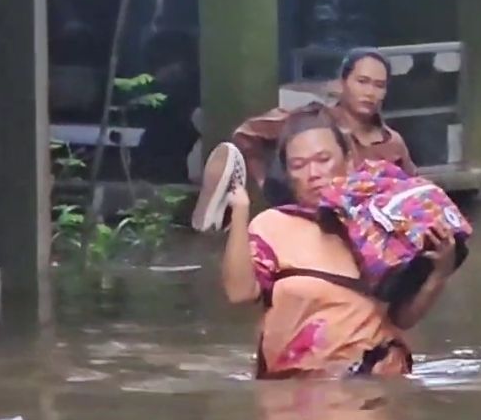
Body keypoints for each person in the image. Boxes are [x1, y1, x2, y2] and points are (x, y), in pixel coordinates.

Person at [220, 110, 458, 379]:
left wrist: (439, 274)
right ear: (287, 174)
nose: (313, 173)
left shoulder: (383, 222)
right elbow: (240, 294)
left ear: (348, 161)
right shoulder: (272, 226)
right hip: (296, 385)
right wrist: (240, 212)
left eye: (323, 160)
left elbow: (402, 318)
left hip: (375, 383)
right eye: (298, 165)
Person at [192, 48, 416, 232]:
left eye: (379, 85)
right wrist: (266, 184)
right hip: (305, 229)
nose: (370, 92)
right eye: (362, 81)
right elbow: (247, 134)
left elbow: (413, 191)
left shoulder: (392, 142)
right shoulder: (313, 119)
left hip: (369, 241)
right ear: (342, 83)